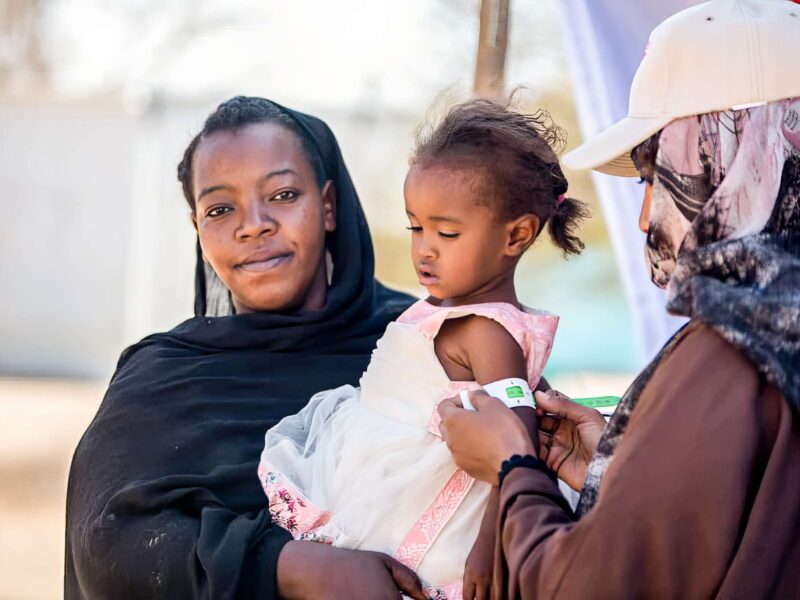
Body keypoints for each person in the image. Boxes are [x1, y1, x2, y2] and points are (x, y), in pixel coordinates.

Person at [438, 1, 800, 597]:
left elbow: (589, 588)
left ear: (724, 156)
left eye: (655, 175)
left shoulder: (733, 344)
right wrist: (618, 471)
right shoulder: (774, 326)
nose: (641, 218)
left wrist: (513, 467)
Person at [64, 96, 430, 600]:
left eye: (281, 195)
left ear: (327, 206)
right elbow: (109, 544)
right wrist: (291, 565)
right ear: (198, 228)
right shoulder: (164, 380)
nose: (252, 224)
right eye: (219, 208)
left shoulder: (423, 340)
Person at [258, 99, 588, 599]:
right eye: (416, 226)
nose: (424, 248)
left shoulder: (488, 331)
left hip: (425, 503)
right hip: (374, 472)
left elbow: (516, 442)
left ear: (516, 234)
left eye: (447, 232)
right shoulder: (443, 307)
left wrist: (489, 541)